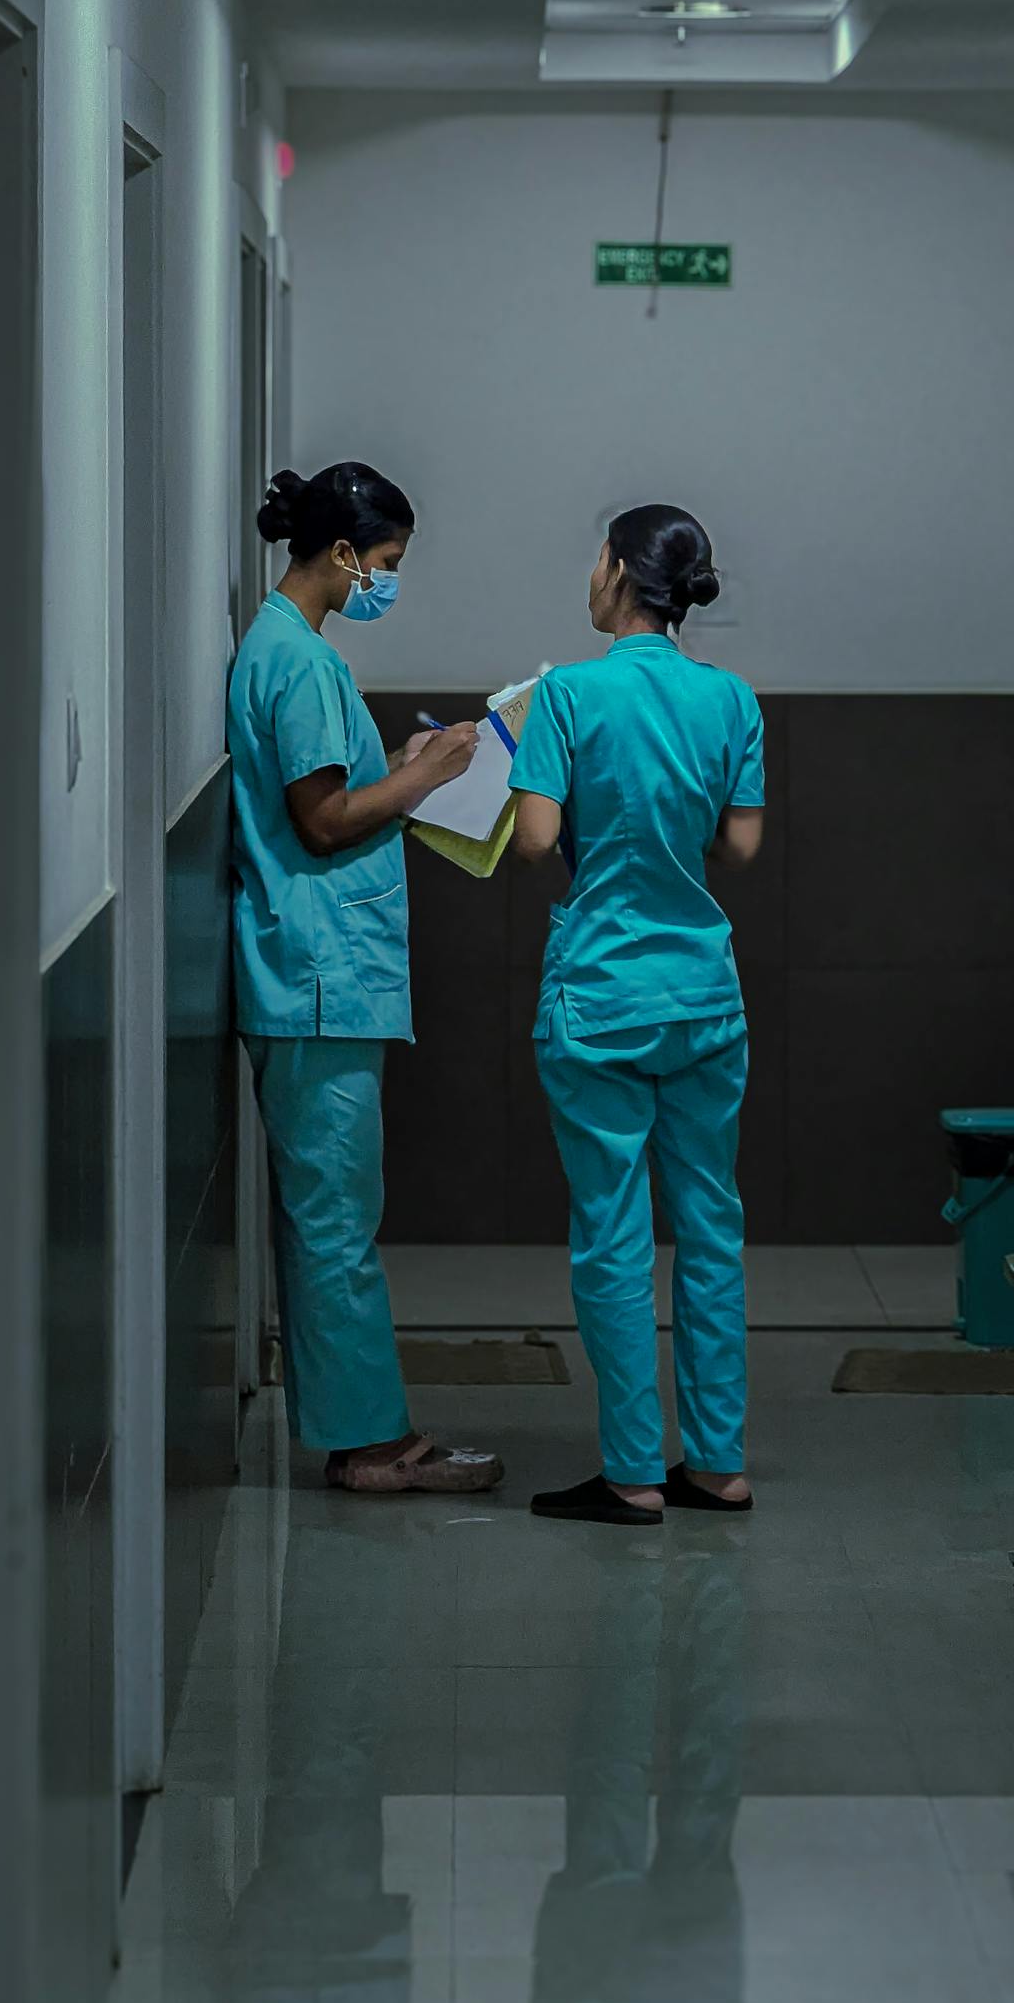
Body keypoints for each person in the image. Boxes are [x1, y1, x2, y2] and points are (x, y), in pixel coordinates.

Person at [228, 459, 505, 1495]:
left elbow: (334, 787)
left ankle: (364, 1429)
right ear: (342, 554)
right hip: (316, 977)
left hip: (317, 971)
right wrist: (423, 778)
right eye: (385, 564)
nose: (387, 581)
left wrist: (400, 765)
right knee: (337, 1223)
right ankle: (372, 1445)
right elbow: (321, 818)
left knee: (332, 1216)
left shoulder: (291, 649)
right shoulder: (295, 660)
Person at [510, 505, 765, 1525]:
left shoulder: (567, 695)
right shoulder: (731, 698)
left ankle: (629, 1472)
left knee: (611, 1236)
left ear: (615, 570)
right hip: (703, 999)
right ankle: (717, 1463)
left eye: (595, 556)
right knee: (710, 1228)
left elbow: (533, 840)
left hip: (599, 1000)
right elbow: (740, 849)